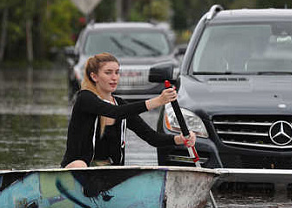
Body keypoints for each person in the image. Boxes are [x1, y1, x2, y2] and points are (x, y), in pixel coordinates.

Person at [61, 52, 196, 168]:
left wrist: (181, 139)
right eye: (108, 73)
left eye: (117, 72)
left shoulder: (120, 104)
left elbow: (152, 138)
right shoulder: (84, 99)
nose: (114, 77)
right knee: (80, 165)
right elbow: (115, 112)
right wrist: (158, 101)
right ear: (94, 76)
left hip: (109, 173)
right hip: (78, 167)